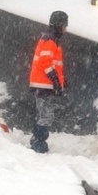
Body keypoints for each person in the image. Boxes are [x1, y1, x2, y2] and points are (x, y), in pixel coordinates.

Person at [28, 11, 68, 153]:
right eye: (64, 25)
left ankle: (37, 139)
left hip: (42, 83)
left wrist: (62, 81)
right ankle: (39, 142)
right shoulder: (50, 40)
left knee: (43, 114)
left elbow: (53, 64)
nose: (65, 29)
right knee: (46, 115)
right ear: (58, 25)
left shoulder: (50, 39)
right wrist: (56, 81)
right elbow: (46, 63)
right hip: (43, 84)